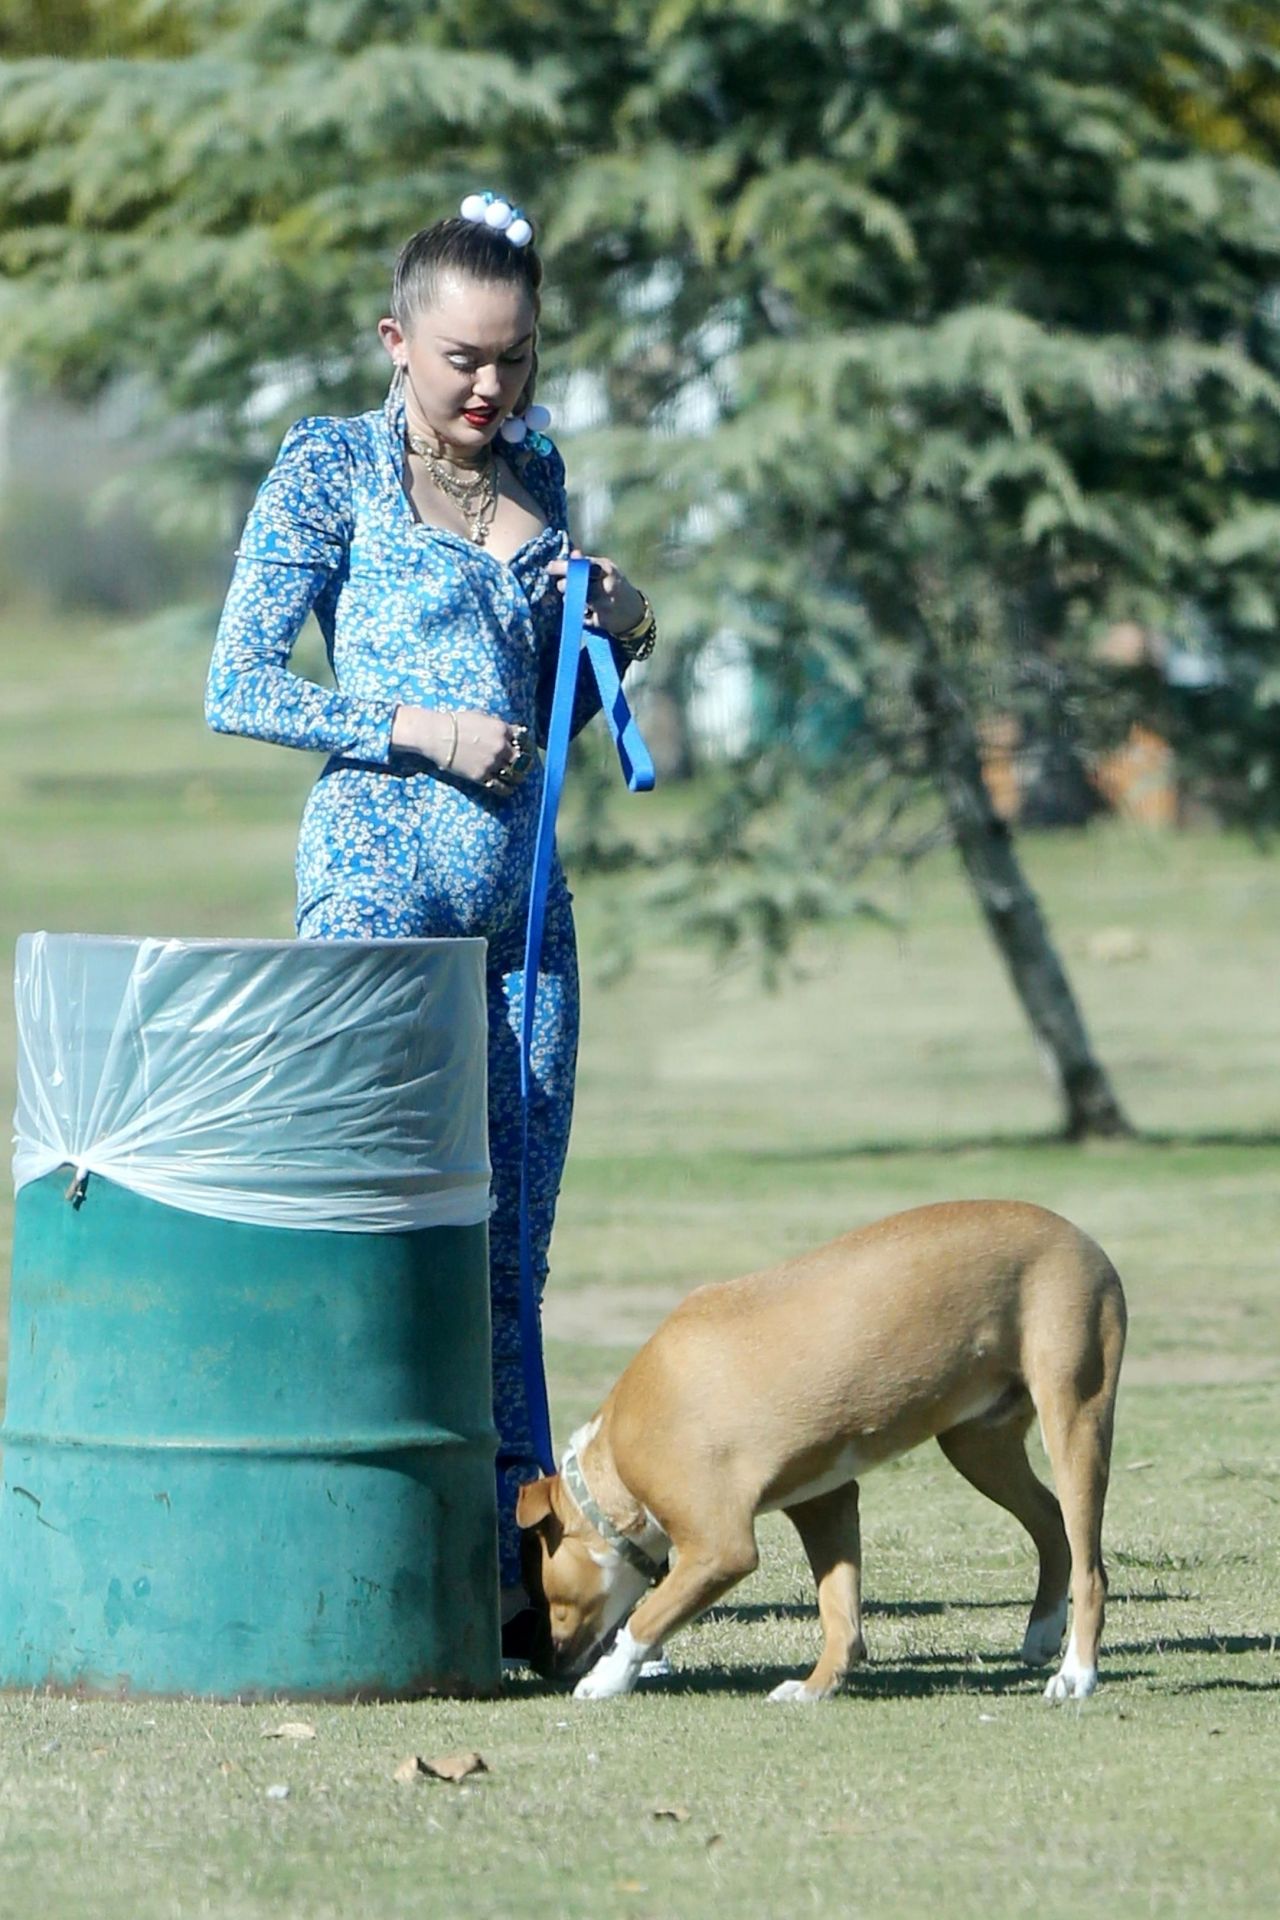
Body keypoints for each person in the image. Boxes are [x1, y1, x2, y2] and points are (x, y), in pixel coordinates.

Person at [204, 192, 656, 1640]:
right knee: (373, 1222)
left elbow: (553, 715)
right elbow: (239, 686)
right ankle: (334, 1534)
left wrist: (617, 629)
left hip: (523, 909)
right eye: (463, 358)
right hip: (375, 895)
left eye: (517, 359)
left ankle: (510, 1572)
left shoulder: (543, 471)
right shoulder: (329, 470)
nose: (491, 388)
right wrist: (417, 728)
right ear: (396, 341)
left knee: (510, 1243)